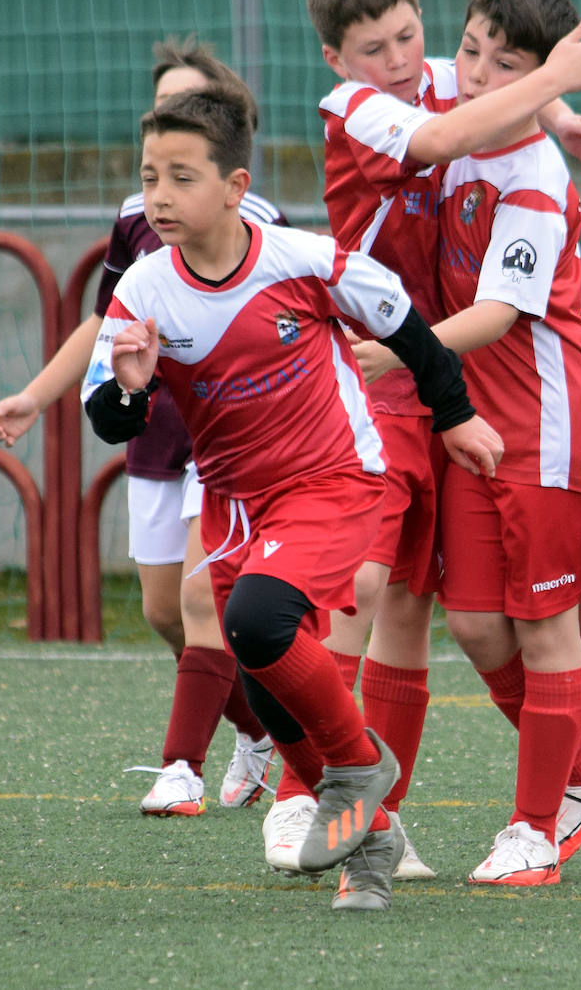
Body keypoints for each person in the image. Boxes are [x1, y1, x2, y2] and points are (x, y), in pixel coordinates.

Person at [82, 85, 503, 911]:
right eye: (148, 176)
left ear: (236, 188)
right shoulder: (144, 290)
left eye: (182, 177)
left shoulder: (301, 259)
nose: (160, 196)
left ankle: (360, 769)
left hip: (336, 478)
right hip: (238, 506)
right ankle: (371, 840)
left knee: (256, 623)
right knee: (269, 681)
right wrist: (133, 391)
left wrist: (455, 416)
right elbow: (105, 417)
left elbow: (407, 327)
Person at [260, 0, 581, 884]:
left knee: (416, 601)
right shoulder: (373, 106)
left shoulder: (522, 162)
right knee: (387, 591)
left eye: (409, 38)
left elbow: (498, 81)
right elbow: (456, 119)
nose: (409, 60)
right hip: (405, 374)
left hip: (487, 391)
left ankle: (516, 818)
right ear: (338, 60)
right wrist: (552, 88)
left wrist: (561, 111)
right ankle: (325, 799)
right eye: (376, 46)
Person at [354, 0, 581, 886]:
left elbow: (499, 313)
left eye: (501, 62)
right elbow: (441, 85)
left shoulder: (533, 178)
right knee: (479, 627)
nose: (472, 72)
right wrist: (555, 101)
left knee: (543, 623)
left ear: (535, 74)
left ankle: (535, 828)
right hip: (477, 421)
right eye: (471, 47)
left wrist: (396, 351)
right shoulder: (458, 101)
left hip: (554, 425)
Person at [0, 37, 285, 816]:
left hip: (226, 443)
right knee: (162, 613)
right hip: (156, 435)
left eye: (190, 116)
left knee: (199, 602)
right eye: (160, 125)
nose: (169, 141)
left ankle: (179, 769)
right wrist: (37, 395)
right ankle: (257, 736)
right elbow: (103, 326)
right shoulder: (135, 224)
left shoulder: (261, 226)